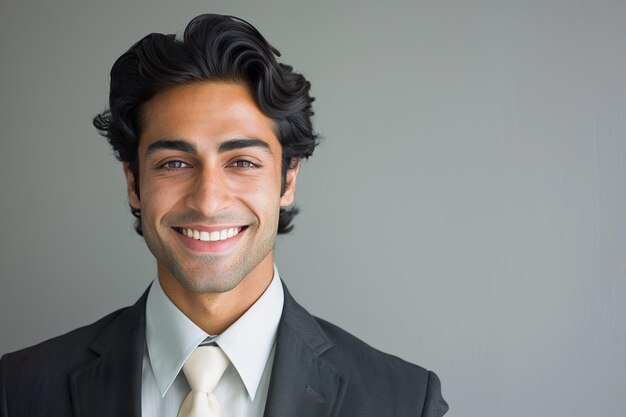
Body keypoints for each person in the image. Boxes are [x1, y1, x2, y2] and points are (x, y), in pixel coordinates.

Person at [0, 14, 448, 417]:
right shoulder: (20, 389)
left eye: (243, 162)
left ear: (287, 180)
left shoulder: (404, 401)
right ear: (134, 184)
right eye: (175, 163)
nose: (208, 202)